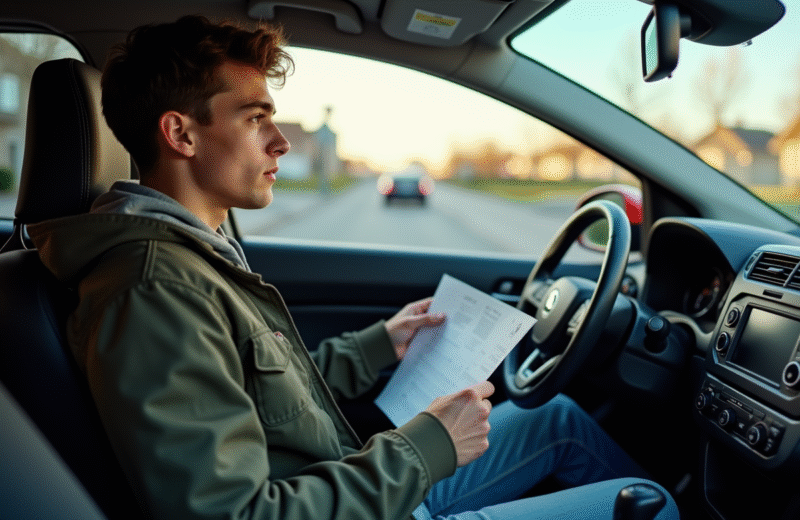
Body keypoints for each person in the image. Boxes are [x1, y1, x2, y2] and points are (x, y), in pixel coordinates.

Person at [29, 15, 679, 520]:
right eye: (257, 120)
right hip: (362, 499)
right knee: (651, 503)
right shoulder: (153, 287)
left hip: (352, 485)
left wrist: (378, 346)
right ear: (182, 134)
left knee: (558, 418)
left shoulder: (191, 251)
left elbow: (261, 395)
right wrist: (427, 448)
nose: (281, 142)